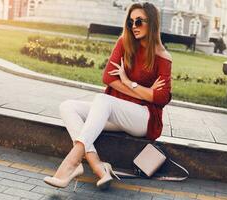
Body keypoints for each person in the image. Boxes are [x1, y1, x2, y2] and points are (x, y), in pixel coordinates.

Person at [43, 2, 172, 191]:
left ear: (152, 23)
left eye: (139, 21)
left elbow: (161, 98)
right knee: (67, 106)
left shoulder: (163, 57)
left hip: (143, 119)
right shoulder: (124, 43)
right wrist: (146, 92)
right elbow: (108, 78)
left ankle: (71, 162)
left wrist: (128, 83)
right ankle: (97, 165)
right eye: (130, 22)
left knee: (103, 100)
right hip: (115, 111)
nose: (134, 27)